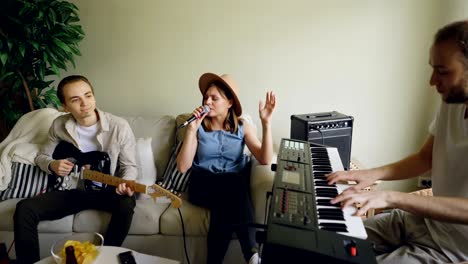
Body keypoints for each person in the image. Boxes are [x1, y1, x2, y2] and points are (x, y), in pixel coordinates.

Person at [327, 20, 468, 263]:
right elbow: (425, 157)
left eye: (443, 71)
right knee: (328, 244)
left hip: (452, 248)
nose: (432, 81)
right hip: (421, 221)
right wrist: (373, 174)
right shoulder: (451, 102)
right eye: (432, 69)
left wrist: (391, 197)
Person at [13, 75, 138, 264]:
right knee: (25, 208)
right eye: (75, 99)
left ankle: (103, 259)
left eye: (88, 96)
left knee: (127, 202)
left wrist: (126, 183)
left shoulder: (119, 126)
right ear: (64, 106)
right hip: (72, 191)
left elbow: (129, 166)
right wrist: (52, 165)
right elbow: (41, 157)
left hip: (106, 190)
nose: (85, 103)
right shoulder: (59, 125)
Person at [176, 73, 276, 264]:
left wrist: (266, 122)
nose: (208, 101)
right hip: (202, 185)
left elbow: (265, 159)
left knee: (225, 204)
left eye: (215, 98)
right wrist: (191, 130)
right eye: (206, 97)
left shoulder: (243, 127)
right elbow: (182, 167)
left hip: (230, 189)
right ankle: (252, 254)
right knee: (234, 184)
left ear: (229, 102)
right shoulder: (198, 127)